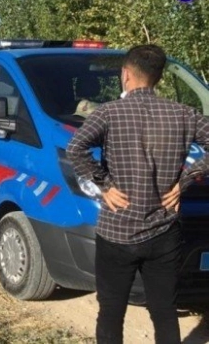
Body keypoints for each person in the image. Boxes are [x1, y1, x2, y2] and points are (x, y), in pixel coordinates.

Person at [67, 44, 209, 344]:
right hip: (165, 231)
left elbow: (75, 148)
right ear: (158, 77)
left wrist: (104, 184)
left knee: (111, 312)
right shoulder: (184, 114)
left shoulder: (107, 113)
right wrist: (186, 181)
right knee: (164, 311)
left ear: (126, 74)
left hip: (117, 231)